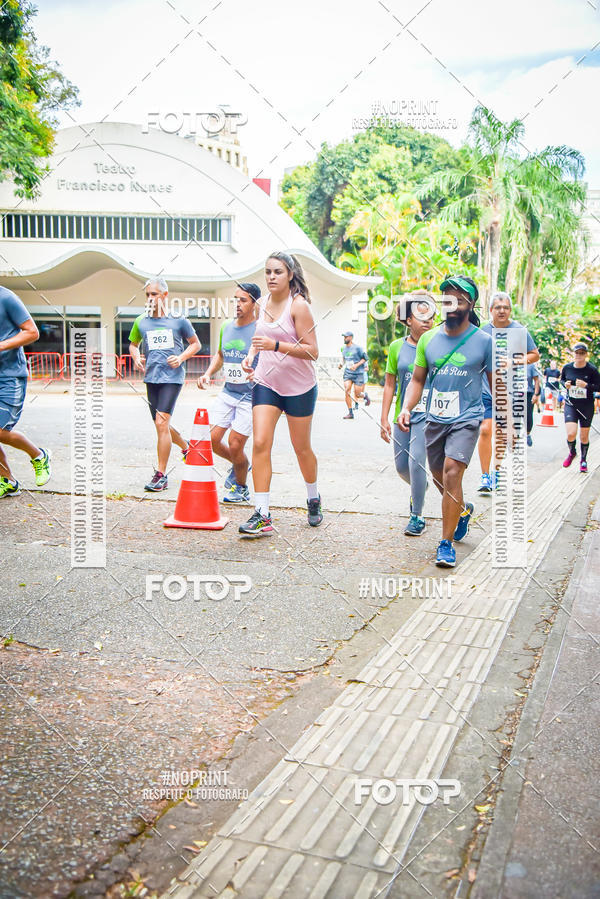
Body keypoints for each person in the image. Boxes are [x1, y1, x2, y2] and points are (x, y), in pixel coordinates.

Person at [398, 275, 493, 568]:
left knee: (452, 472)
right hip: (434, 419)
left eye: (459, 299)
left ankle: (445, 543)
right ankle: (462, 511)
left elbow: (496, 383)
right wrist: (406, 407)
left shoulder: (484, 342)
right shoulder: (428, 339)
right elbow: (417, 380)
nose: (452, 304)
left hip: (467, 418)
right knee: (440, 477)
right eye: (447, 298)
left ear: (471, 304)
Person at [239, 251, 321, 537]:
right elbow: (258, 338)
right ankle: (262, 513)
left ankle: (313, 496)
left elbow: (312, 351)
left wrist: (275, 345)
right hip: (267, 383)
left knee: (302, 448)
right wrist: (251, 355)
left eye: (277, 272)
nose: (271, 277)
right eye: (268, 272)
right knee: (260, 442)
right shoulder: (261, 304)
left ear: (290, 275)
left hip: (299, 387)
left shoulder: (298, 306)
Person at [129, 277, 200, 491]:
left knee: (161, 424)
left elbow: (196, 344)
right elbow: (133, 344)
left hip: (172, 378)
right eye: (147, 295)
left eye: (154, 294)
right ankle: (188, 448)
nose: (150, 298)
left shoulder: (179, 320)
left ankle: (161, 475)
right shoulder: (141, 320)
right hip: (152, 378)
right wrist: (136, 357)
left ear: (165, 295)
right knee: (162, 426)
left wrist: (181, 358)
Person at [198, 283, 261, 503]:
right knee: (212, 440)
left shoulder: (260, 329)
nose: (237, 304)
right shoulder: (226, 326)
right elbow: (220, 355)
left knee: (235, 444)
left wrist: (260, 374)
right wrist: (207, 374)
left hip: (251, 397)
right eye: (235, 299)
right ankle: (241, 464)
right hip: (228, 392)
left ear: (254, 303)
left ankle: (241, 487)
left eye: (243, 300)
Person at [381, 293, 435, 536]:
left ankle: (417, 516)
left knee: (416, 461)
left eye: (431, 316)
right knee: (402, 467)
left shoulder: (437, 345)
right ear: (408, 319)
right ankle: (420, 490)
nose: (428, 321)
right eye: (421, 315)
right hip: (401, 415)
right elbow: (390, 384)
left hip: (428, 414)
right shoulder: (396, 347)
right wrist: (384, 418)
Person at [477, 292, 539, 493]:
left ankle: (496, 472)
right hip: (486, 390)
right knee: (486, 429)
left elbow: (534, 355)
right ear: (491, 310)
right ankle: (485, 476)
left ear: (510, 310)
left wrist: (514, 361)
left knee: (502, 435)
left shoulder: (520, 331)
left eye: (505, 307)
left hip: (509, 393)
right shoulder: (483, 331)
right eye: (497, 307)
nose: (501, 311)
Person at [0, 286, 52, 497]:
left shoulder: (6, 297)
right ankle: (8, 480)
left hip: (10, 375)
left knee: (1, 429)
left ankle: (39, 455)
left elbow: (32, 332)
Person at [560, 342, 600, 472]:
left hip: (586, 405)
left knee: (584, 436)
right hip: (571, 404)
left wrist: (586, 385)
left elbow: (598, 386)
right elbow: (562, 380)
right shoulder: (567, 367)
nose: (579, 355)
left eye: (582, 353)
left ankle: (583, 460)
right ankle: (572, 452)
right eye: (577, 353)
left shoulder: (592, 370)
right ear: (573, 353)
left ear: (586, 355)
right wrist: (565, 384)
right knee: (571, 434)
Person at [339, 331, 370, 418]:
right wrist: (341, 365)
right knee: (347, 390)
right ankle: (350, 413)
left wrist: (356, 365)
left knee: (357, 394)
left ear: (351, 338)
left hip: (358, 374)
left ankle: (364, 395)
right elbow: (344, 359)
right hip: (348, 373)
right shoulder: (343, 349)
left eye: (346, 337)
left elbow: (365, 358)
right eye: (344, 337)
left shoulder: (358, 348)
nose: (345, 338)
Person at [526, 363, 541, 446]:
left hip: (528, 394)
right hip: (515, 394)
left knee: (528, 416)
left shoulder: (530, 365)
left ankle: (527, 434)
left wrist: (535, 394)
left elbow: (536, 380)